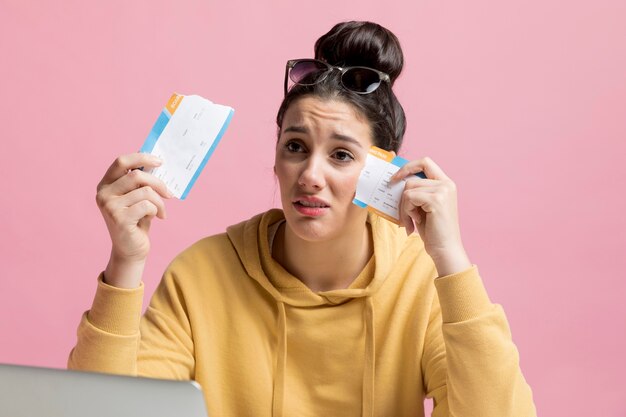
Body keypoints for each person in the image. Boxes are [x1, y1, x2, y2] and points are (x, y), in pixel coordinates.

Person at [69, 21, 536, 417]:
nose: (310, 175)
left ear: (383, 174)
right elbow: (99, 411)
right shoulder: (200, 276)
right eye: (295, 147)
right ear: (275, 160)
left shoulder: (423, 284)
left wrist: (451, 260)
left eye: (340, 154)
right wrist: (125, 265)